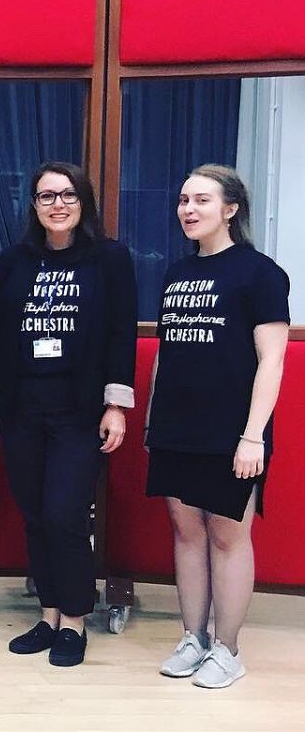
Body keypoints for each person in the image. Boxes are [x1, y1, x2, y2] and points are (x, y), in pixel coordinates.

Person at [0, 161, 136, 667]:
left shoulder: (108, 259)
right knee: (35, 514)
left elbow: (120, 334)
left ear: (83, 201)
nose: (57, 204)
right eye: (46, 196)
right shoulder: (15, 260)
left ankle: (75, 621)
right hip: (23, 407)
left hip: (80, 410)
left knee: (66, 515)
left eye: (67, 195)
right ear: (34, 205)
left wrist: (116, 404)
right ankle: (48, 616)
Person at [145, 164, 288, 689]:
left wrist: (253, 436)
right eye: (183, 199)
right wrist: (154, 422)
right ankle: (193, 637)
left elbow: (271, 361)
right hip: (176, 427)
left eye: (201, 200)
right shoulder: (176, 273)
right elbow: (167, 352)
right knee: (186, 534)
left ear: (230, 209)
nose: (188, 209)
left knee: (228, 536)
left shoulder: (260, 272)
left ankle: (228, 649)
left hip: (232, 431)